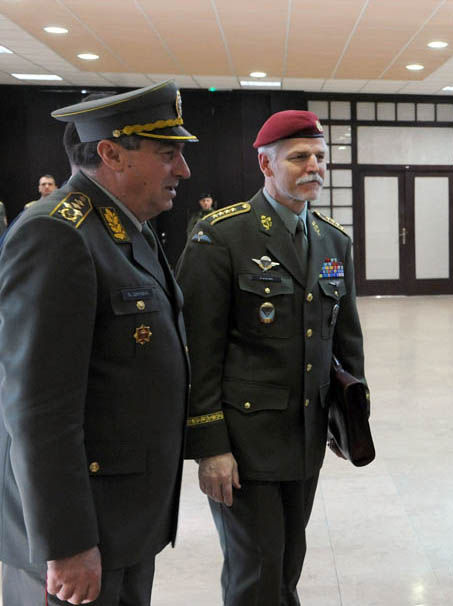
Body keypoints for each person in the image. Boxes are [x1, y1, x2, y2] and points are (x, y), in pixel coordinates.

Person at [0, 80, 194, 605]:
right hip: (81, 538)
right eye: (168, 153)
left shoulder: (127, 228)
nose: (183, 170)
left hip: (125, 524)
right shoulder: (57, 235)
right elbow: (37, 410)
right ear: (111, 153)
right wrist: (66, 544)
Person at [176, 110, 366, 606]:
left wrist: (350, 418)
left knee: (285, 567)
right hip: (244, 446)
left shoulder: (332, 240)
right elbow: (198, 350)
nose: (314, 168)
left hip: (304, 437)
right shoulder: (221, 237)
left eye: (320, 157)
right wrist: (210, 445)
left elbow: (347, 340)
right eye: (299, 157)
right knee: (255, 574)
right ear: (265, 164)